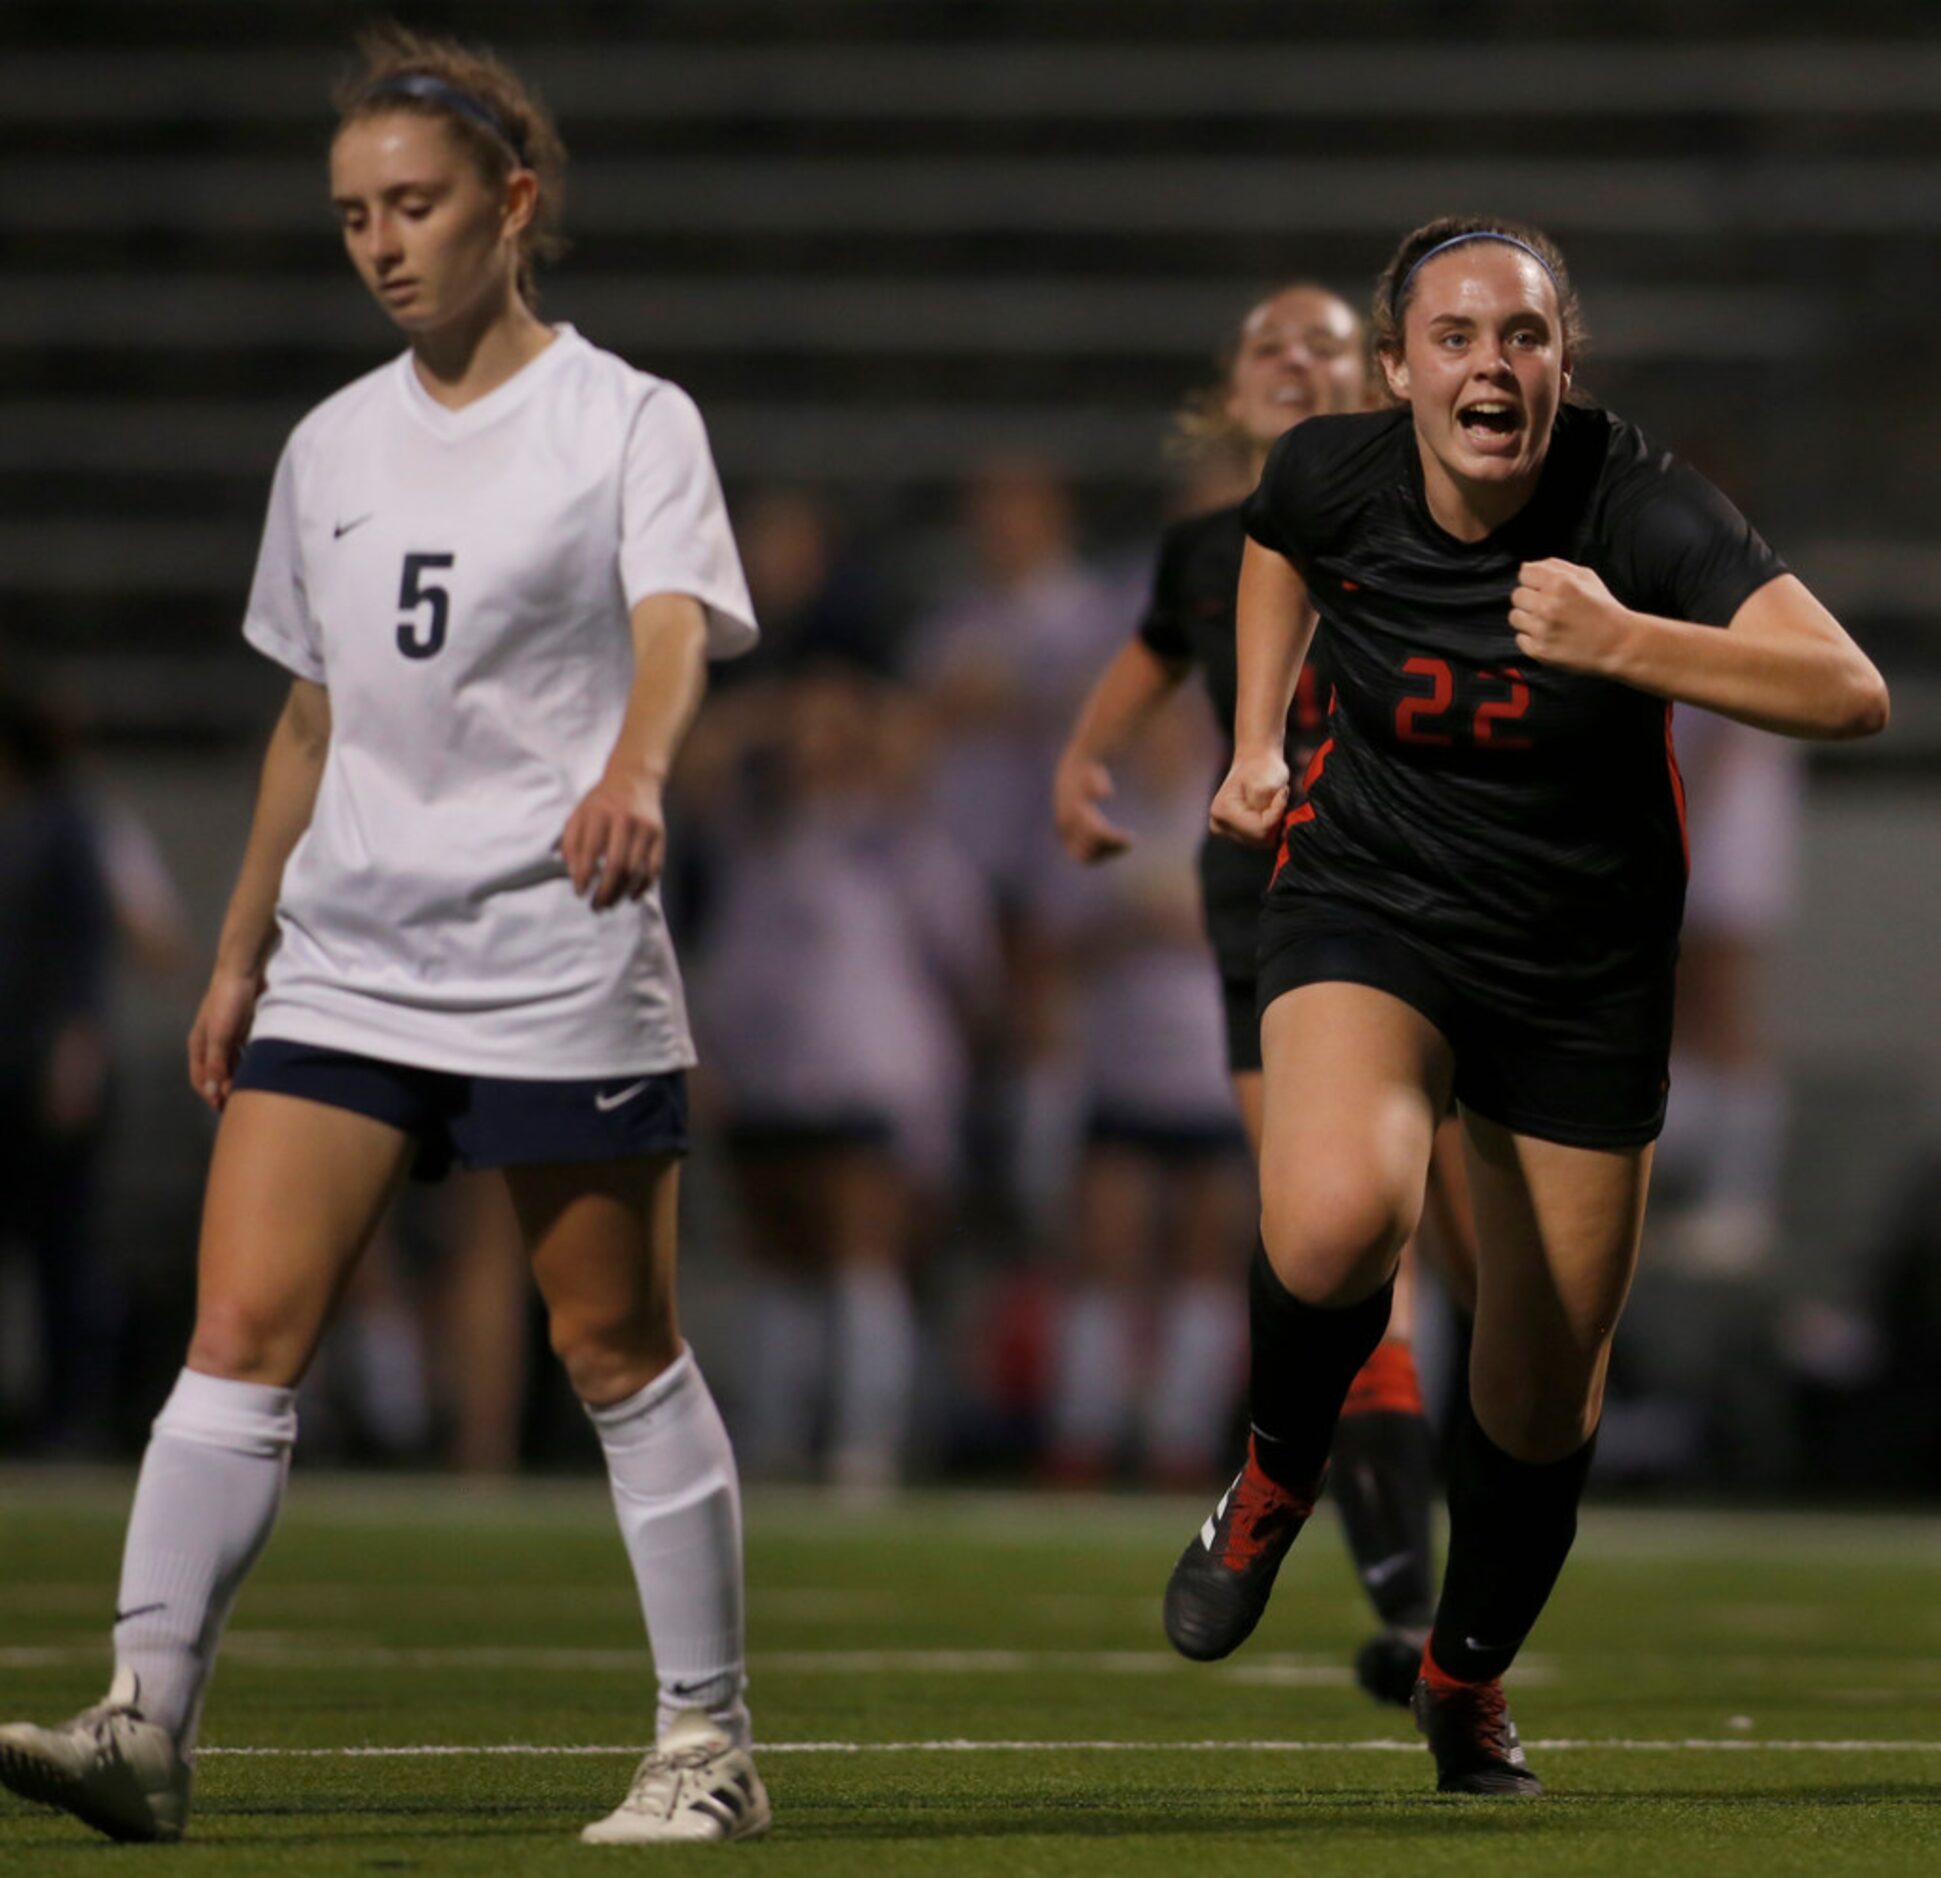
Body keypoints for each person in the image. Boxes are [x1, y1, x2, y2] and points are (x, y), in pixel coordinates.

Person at [0, 27, 770, 1846]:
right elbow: (310, 715)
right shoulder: (329, 442)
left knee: (614, 1349)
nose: (380, 241)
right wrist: (237, 947)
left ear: (514, 206)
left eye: (413, 204)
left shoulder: (626, 418)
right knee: (239, 1326)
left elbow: (673, 626)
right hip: (348, 956)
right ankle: (143, 1718)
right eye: (353, 214)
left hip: (554, 947)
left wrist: (639, 772)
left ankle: (707, 1743)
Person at [1158, 215, 1886, 1797]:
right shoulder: (1334, 468)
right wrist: (1259, 743)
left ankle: (1461, 1678)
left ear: (1566, 360)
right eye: (1458, 336)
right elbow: (1272, 538)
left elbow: (1848, 689)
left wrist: (1629, 641)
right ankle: (1276, 1473)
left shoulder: (1637, 505)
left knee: (1544, 1380)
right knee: (1339, 1220)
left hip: (1579, 966)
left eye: (1525, 336)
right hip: (1372, 901)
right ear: (1399, 362)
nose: (1492, 363)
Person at [1053, 284, 1474, 1705]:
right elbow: (1150, 651)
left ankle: (1429, 1601)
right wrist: (1081, 763)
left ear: (1380, 381)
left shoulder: (1437, 514)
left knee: (1474, 1258)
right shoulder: (1200, 548)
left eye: (1323, 344)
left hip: (1452, 895)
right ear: (1227, 395)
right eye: (1264, 346)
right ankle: (1415, 1614)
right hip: (1283, 905)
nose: (1292, 360)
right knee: (1348, 1249)